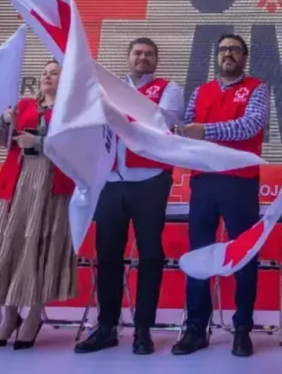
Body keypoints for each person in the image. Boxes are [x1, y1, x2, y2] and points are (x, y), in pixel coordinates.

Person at [75, 37, 184, 356]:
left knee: (150, 255)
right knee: (107, 255)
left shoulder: (168, 88)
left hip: (150, 179)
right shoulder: (105, 88)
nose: (143, 58)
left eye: (149, 54)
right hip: (109, 180)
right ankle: (107, 326)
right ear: (128, 57)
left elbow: (164, 121)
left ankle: (142, 329)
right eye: (137, 53)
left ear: (156, 60)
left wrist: (122, 107)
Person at [0, 60, 78, 350]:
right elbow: (1, 140)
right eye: (45, 71)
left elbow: (77, 146)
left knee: (41, 246)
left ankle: (35, 314)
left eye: (55, 72)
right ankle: (9, 314)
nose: (48, 76)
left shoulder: (73, 110)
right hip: (16, 183)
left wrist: (38, 143)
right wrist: (3, 120)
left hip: (52, 183)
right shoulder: (23, 104)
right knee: (7, 246)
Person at [171, 33, 268, 358]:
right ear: (217, 56)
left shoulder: (257, 87)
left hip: (240, 182)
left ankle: (243, 328)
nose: (228, 54)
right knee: (200, 255)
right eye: (223, 49)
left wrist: (206, 131)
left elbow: (250, 126)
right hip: (204, 181)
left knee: (243, 255)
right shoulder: (200, 91)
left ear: (244, 57)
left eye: (235, 50)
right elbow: (186, 130)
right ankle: (196, 328)